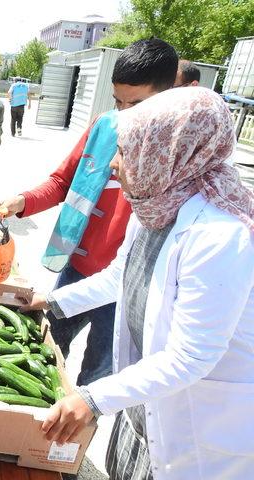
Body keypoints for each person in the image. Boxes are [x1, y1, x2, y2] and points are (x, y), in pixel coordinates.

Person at [35, 87, 254, 480]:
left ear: (166, 152)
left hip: (192, 426)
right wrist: (49, 301)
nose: (113, 164)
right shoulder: (156, 203)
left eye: (126, 151)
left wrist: (93, 397)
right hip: (146, 403)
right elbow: (121, 277)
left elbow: (192, 357)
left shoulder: (219, 236)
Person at [0, 39, 179, 386]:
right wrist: (23, 201)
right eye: (118, 102)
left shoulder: (179, 153)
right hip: (76, 268)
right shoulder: (103, 127)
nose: (125, 115)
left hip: (127, 288)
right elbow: (63, 182)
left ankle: (70, 442)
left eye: (136, 104)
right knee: (43, 353)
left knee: (98, 380)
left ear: (167, 97)